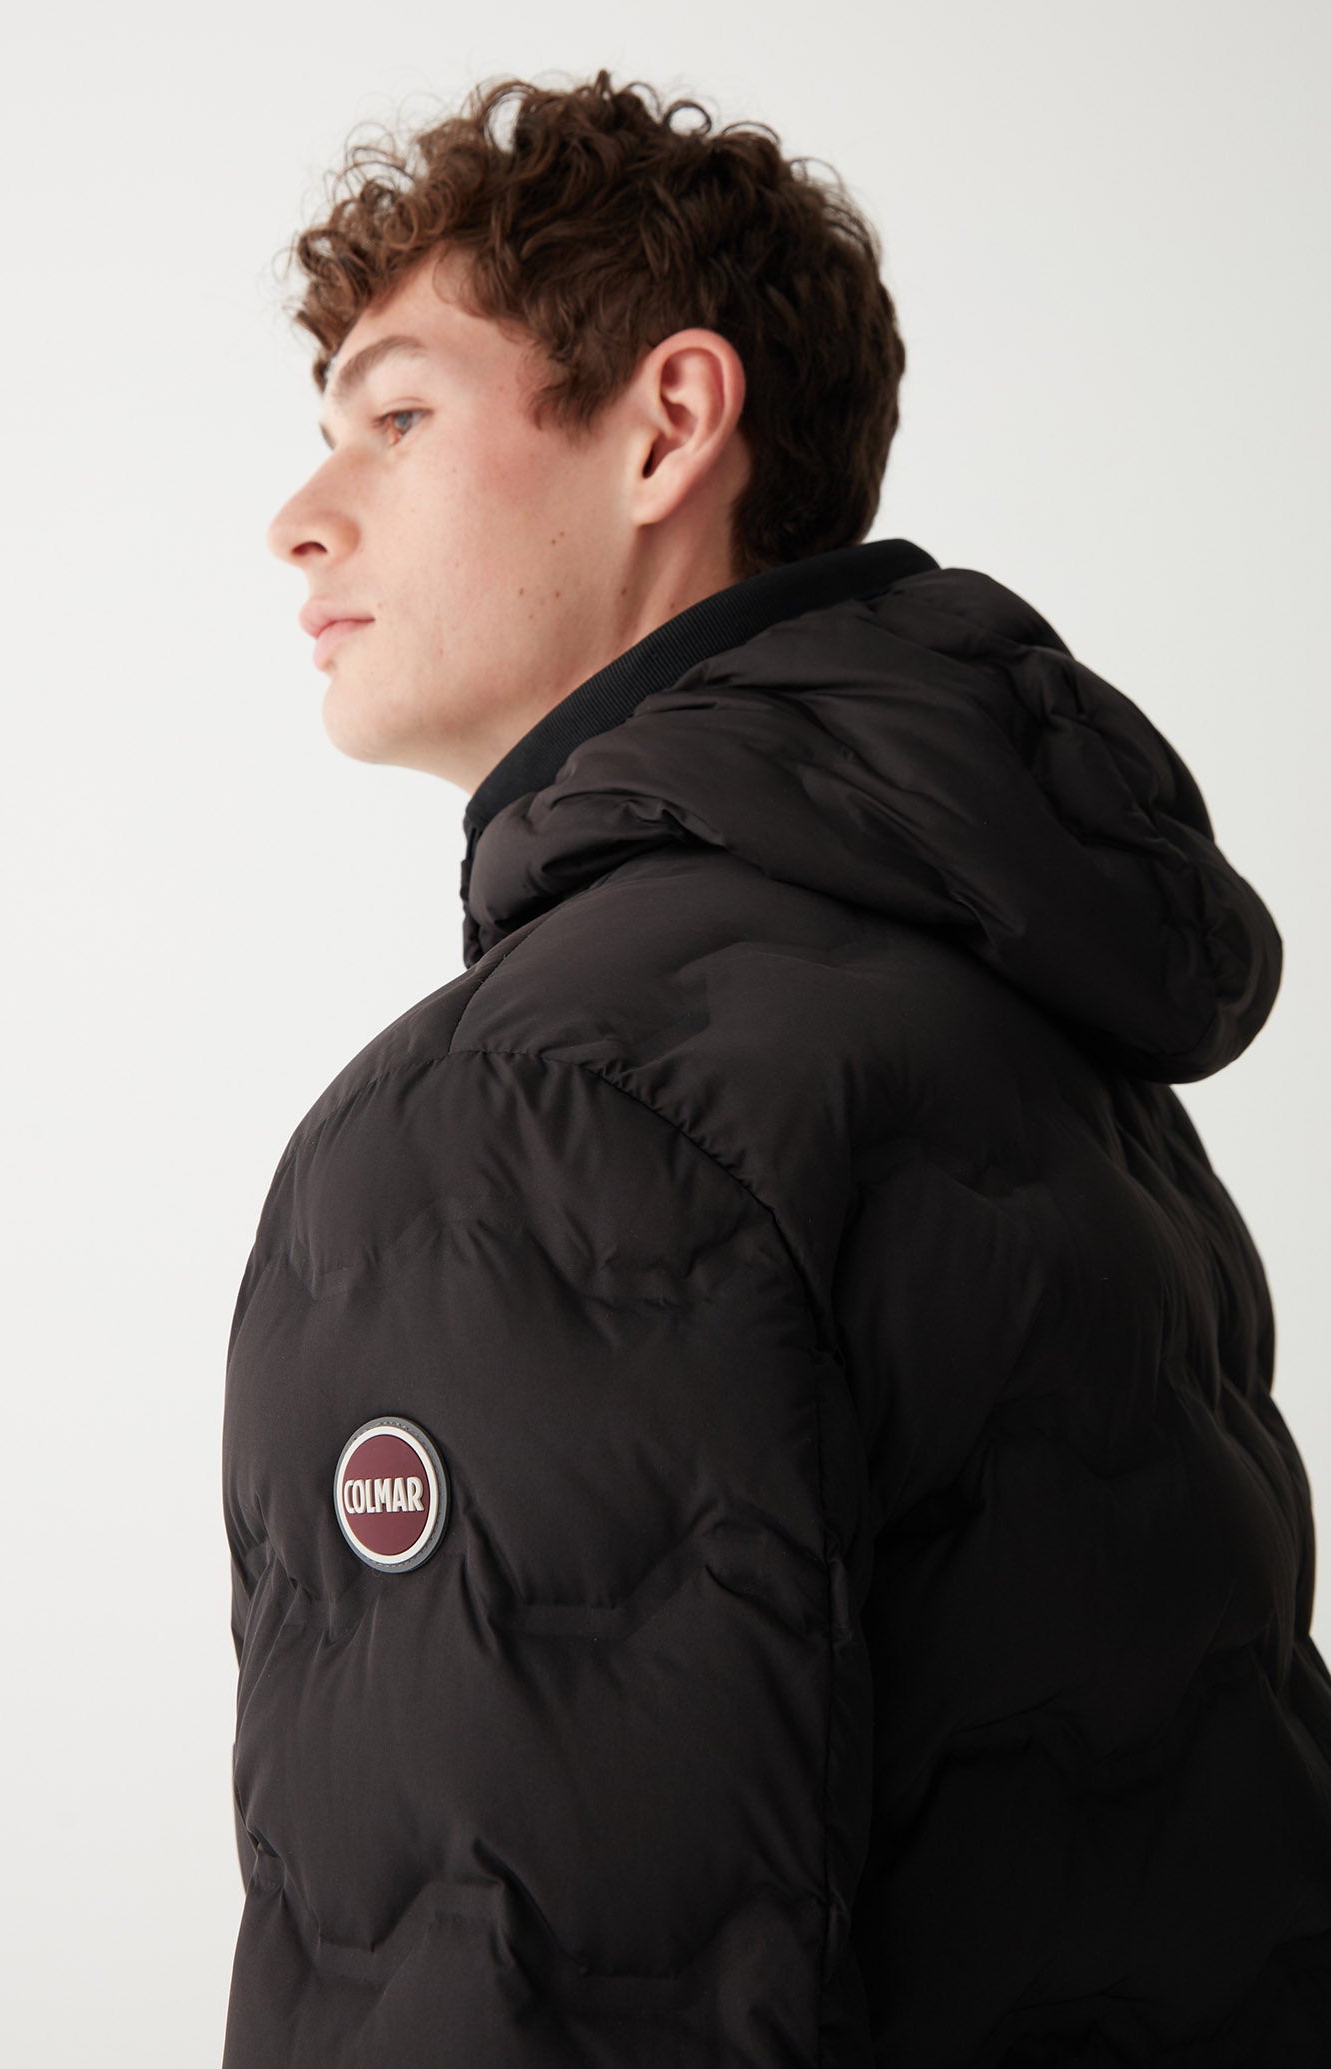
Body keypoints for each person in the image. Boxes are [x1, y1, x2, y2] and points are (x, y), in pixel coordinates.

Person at [221, 68, 1331, 2067]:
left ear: (667, 426)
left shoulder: (534, 1121)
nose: (302, 516)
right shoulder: (1034, 1033)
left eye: (396, 418)